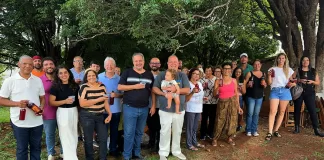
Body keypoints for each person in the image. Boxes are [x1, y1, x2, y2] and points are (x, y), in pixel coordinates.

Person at [0, 55, 45, 160]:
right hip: (19, 122)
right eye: (25, 63)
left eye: (30, 64)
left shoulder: (38, 80)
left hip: (37, 121)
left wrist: (41, 107)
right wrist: (17, 104)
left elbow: (42, 98)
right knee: (22, 149)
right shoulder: (10, 81)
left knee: (36, 148)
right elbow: (1, 100)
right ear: (19, 64)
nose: (28, 66)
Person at [118, 53, 155, 160]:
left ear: (143, 61)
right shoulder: (127, 72)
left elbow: (152, 91)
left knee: (139, 133)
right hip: (130, 107)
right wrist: (135, 86)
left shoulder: (149, 74)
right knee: (129, 133)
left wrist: (152, 106)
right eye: (136, 61)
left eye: (140, 61)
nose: (138, 63)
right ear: (133, 62)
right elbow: (120, 86)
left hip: (144, 108)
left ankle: (137, 154)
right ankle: (127, 155)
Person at [153, 55, 190, 160]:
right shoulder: (162, 75)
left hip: (179, 109)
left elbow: (187, 90)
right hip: (165, 109)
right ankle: (163, 152)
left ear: (178, 64)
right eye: (171, 62)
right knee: (164, 131)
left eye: (175, 62)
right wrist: (164, 94)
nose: (173, 64)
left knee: (177, 131)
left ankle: (176, 151)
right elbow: (155, 88)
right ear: (168, 64)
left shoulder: (182, 75)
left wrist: (175, 90)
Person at [79, 69, 112, 160]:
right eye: (89, 76)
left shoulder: (102, 86)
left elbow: (105, 101)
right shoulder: (83, 87)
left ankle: (103, 158)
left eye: (93, 75)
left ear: (96, 76)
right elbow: (82, 104)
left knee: (103, 138)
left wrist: (110, 114)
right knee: (89, 140)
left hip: (100, 116)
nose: (91, 77)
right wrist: (98, 99)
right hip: (87, 116)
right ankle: (90, 158)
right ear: (86, 77)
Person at [49, 65, 80, 160]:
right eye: (61, 73)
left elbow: (79, 101)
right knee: (66, 135)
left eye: (65, 72)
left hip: (74, 111)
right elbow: (51, 102)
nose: (63, 75)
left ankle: (72, 155)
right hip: (62, 111)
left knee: (74, 134)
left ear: (69, 74)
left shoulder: (75, 86)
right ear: (57, 75)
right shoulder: (55, 86)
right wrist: (64, 101)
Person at [265, 53, 295, 141]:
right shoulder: (272, 69)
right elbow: (269, 83)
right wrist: (269, 76)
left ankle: (276, 130)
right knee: (273, 111)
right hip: (275, 91)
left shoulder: (289, 70)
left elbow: (293, 81)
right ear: (277, 59)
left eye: (283, 58)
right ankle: (270, 132)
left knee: (282, 112)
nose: (281, 60)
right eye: (280, 58)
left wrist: (292, 84)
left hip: (285, 91)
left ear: (285, 60)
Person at [212, 63, 243, 146]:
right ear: (222, 70)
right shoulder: (218, 81)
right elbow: (214, 95)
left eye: (229, 69)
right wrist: (217, 87)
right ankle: (215, 138)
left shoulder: (234, 80)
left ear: (231, 70)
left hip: (232, 102)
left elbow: (236, 94)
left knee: (232, 120)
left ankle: (230, 137)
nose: (227, 70)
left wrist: (238, 107)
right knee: (220, 120)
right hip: (222, 103)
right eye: (225, 68)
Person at [292, 56, 324, 136]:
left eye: (307, 60)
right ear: (301, 61)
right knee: (297, 109)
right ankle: (297, 128)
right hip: (299, 92)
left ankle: (316, 130)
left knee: (312, 110)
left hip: (310, 92)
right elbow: (291, 79)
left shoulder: (313, 71)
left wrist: (312, 82)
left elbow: (318, 82)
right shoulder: (298, 70)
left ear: (309, 61)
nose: (305, 62)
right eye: (303, 60)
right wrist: (299, 80)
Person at [98, 57, 123, 157]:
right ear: (104, 66)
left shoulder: (120, 78)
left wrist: (116, 95)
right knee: (102, 133)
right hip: (102, 110)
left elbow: (124, 94)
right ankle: (103, 151)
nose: (109, 66)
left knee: (114, 131)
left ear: (114, 66)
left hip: (116, 109)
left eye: (111, 64)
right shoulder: (98, 77)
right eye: (107, 65)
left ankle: (113, 149)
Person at [40, 57, 63, 160]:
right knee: (50, 134)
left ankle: (64, 152)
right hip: (48, 111)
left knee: (63, 132)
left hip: (62, 110)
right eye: (46, 64)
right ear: (43, 67)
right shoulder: (39, 80)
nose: (49, 66)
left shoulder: (61, 77)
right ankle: (51, 153)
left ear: (54, 65)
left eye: (51, 64)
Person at [243, 60, 267, 137]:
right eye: (255, 64)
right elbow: (244, 84)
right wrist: (248, 85)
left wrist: (264, 84)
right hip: (251, 96)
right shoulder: (249, 73)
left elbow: (265, 86)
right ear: (253, 65)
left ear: (261, 65)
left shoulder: (263, 74)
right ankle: (248, 130)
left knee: (256, 114)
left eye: (258, 64)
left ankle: (254, 130)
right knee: (250, 113)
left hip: (259, 97)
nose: (257, 66)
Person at [185, 68, 205, 151]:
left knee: (195, 127)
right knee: (189, 127)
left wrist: (204, 98)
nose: (196, 75)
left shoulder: (200, 84)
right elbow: (186, 98)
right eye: (194, 73)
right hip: (190, 109)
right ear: (191, 74)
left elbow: (200, 95)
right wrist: (192, 92)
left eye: (198, 74)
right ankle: (189, 144)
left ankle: (194, 142)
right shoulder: (188, 84)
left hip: (198, 108)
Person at [146, 57, 161, 152]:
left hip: (161, 105)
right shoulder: (145, 75)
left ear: (159, 65)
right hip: (147, 104)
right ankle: (151, 143)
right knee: (150, 125)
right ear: (149, 64)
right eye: (152, 63)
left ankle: (159, 144)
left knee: (159, 126)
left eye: (156, 63)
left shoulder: (163, 75)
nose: (154, 64)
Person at [199, 66, 217, 140]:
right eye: (206, 71)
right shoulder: (201, 80)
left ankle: (210, 132)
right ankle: (203, 133)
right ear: (204, 71)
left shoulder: (216, 79)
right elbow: (199, 89)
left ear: (212, 71)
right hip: (204, 101)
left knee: (212, 118)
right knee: (204, 118)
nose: (208, 72)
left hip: (214, 101)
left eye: (209, 70)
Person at [232, 67, 244, 131]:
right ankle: (233, 125)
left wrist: (241, 88)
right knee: (233, 112)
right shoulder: (231, 79)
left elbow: (244, 92)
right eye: (236, 72)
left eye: (239, 72)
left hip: (240, 97)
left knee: (240, 111)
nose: (238, 73)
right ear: (234, 72)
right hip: (232, 97)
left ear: (241, 73)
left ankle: (238, 124)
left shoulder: (242, 80)